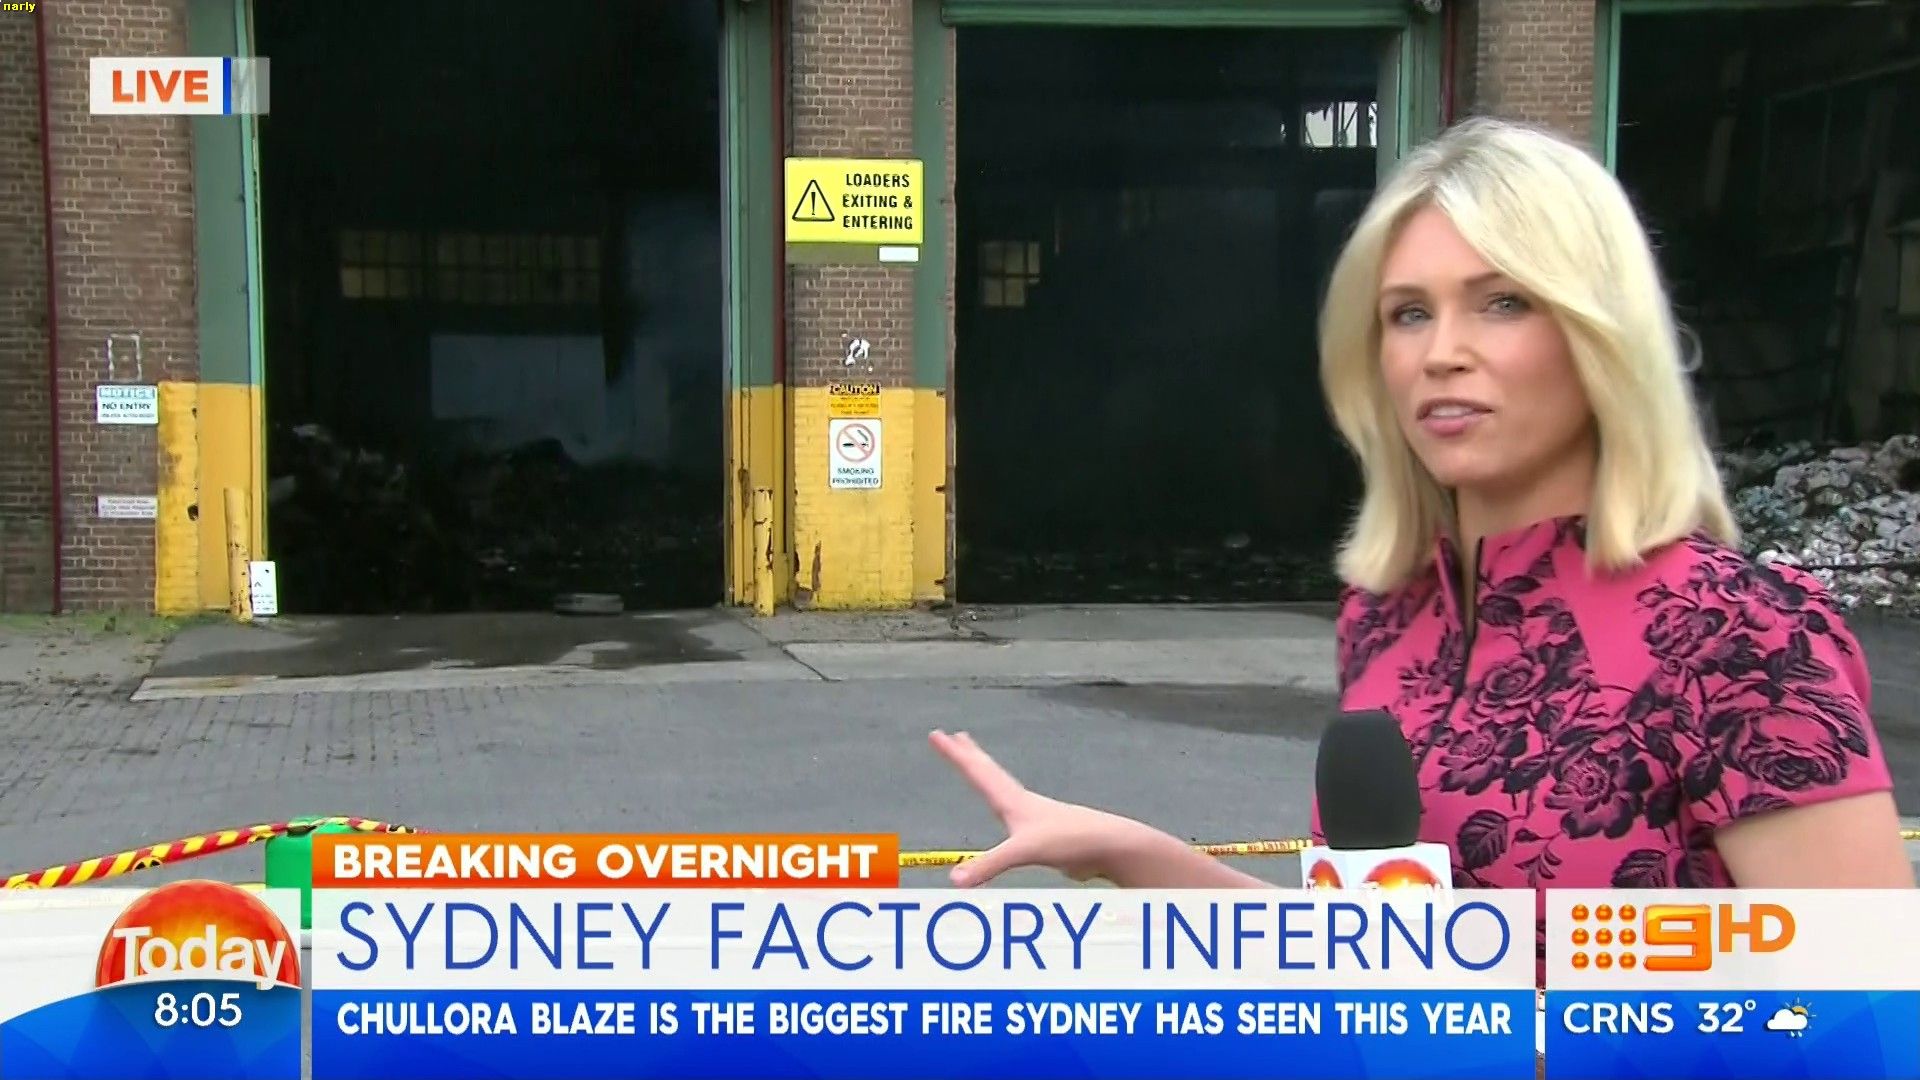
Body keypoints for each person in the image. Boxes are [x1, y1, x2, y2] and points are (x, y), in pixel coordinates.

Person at [927, 117, 1913, 901]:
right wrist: (1134, 854)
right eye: (1409, 313)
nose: (1442, 352)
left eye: (1502, 302)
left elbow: (1869, 1021)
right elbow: (1378, 960)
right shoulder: (1387, 617)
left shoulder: (1737, 633)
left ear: (1602, 335)